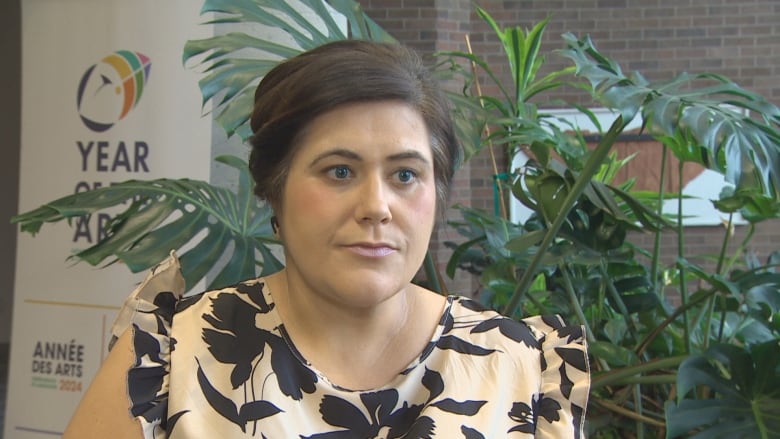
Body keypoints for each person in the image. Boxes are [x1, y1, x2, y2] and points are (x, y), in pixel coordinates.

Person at [64, 40, 589, 438]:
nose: (376, 207)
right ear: (275, 188)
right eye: (339, 171)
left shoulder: (518, 365)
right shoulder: (170, 355)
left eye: (405, 175)